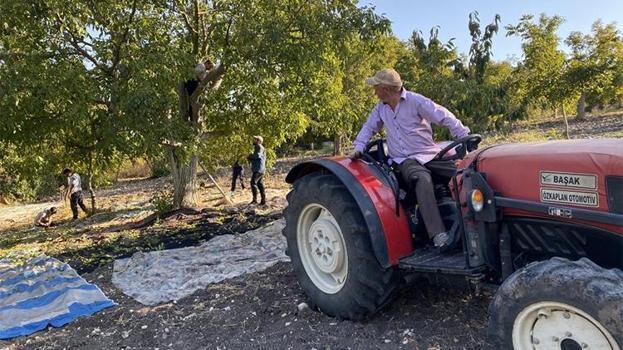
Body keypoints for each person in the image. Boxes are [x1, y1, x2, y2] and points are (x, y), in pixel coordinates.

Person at [351, 68, 471, 248]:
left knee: (465, 172)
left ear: (386, 89)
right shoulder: (380, 109)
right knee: (422, 179)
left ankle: (473, 221)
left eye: (376, 88)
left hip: (430, 154)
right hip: (405, 160)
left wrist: (464, 135)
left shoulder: (416, 101)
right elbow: (369, 128)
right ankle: (438, 235)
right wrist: (359, 147)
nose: (374, 92)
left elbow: (443, 116)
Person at [247, 135, 266, 205]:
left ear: (259, 141)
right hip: (260, 169)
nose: (253, 140)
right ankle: (263, 201)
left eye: (255, 139)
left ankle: (255, 200)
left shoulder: (259, 147)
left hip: (258, 169)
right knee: (260, 184)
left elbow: (257, 156)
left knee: (253, 183)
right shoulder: (259, 147)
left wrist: (249, 156)